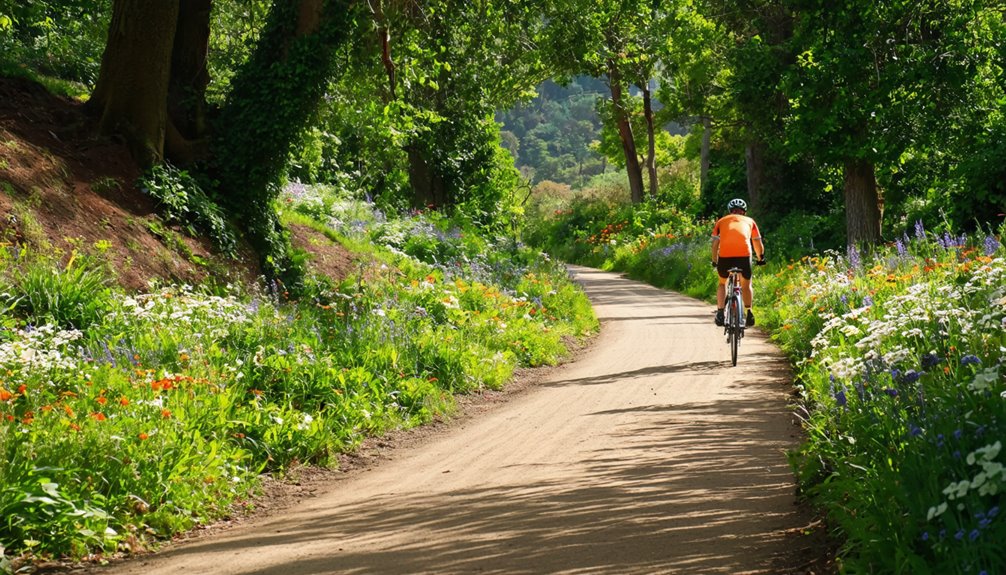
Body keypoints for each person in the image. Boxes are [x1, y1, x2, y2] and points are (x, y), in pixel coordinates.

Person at [711, 198, 765, 327]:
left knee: (722, 283)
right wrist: (760, 258)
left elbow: (715, 244)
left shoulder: (721, 221)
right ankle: (749, 312)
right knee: (746, 285)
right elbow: (757, 242)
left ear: (730, 211)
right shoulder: (750, 221)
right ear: (744, 212)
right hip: (743, 256)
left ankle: (719, 312)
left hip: (725, 256)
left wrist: (714, 260)